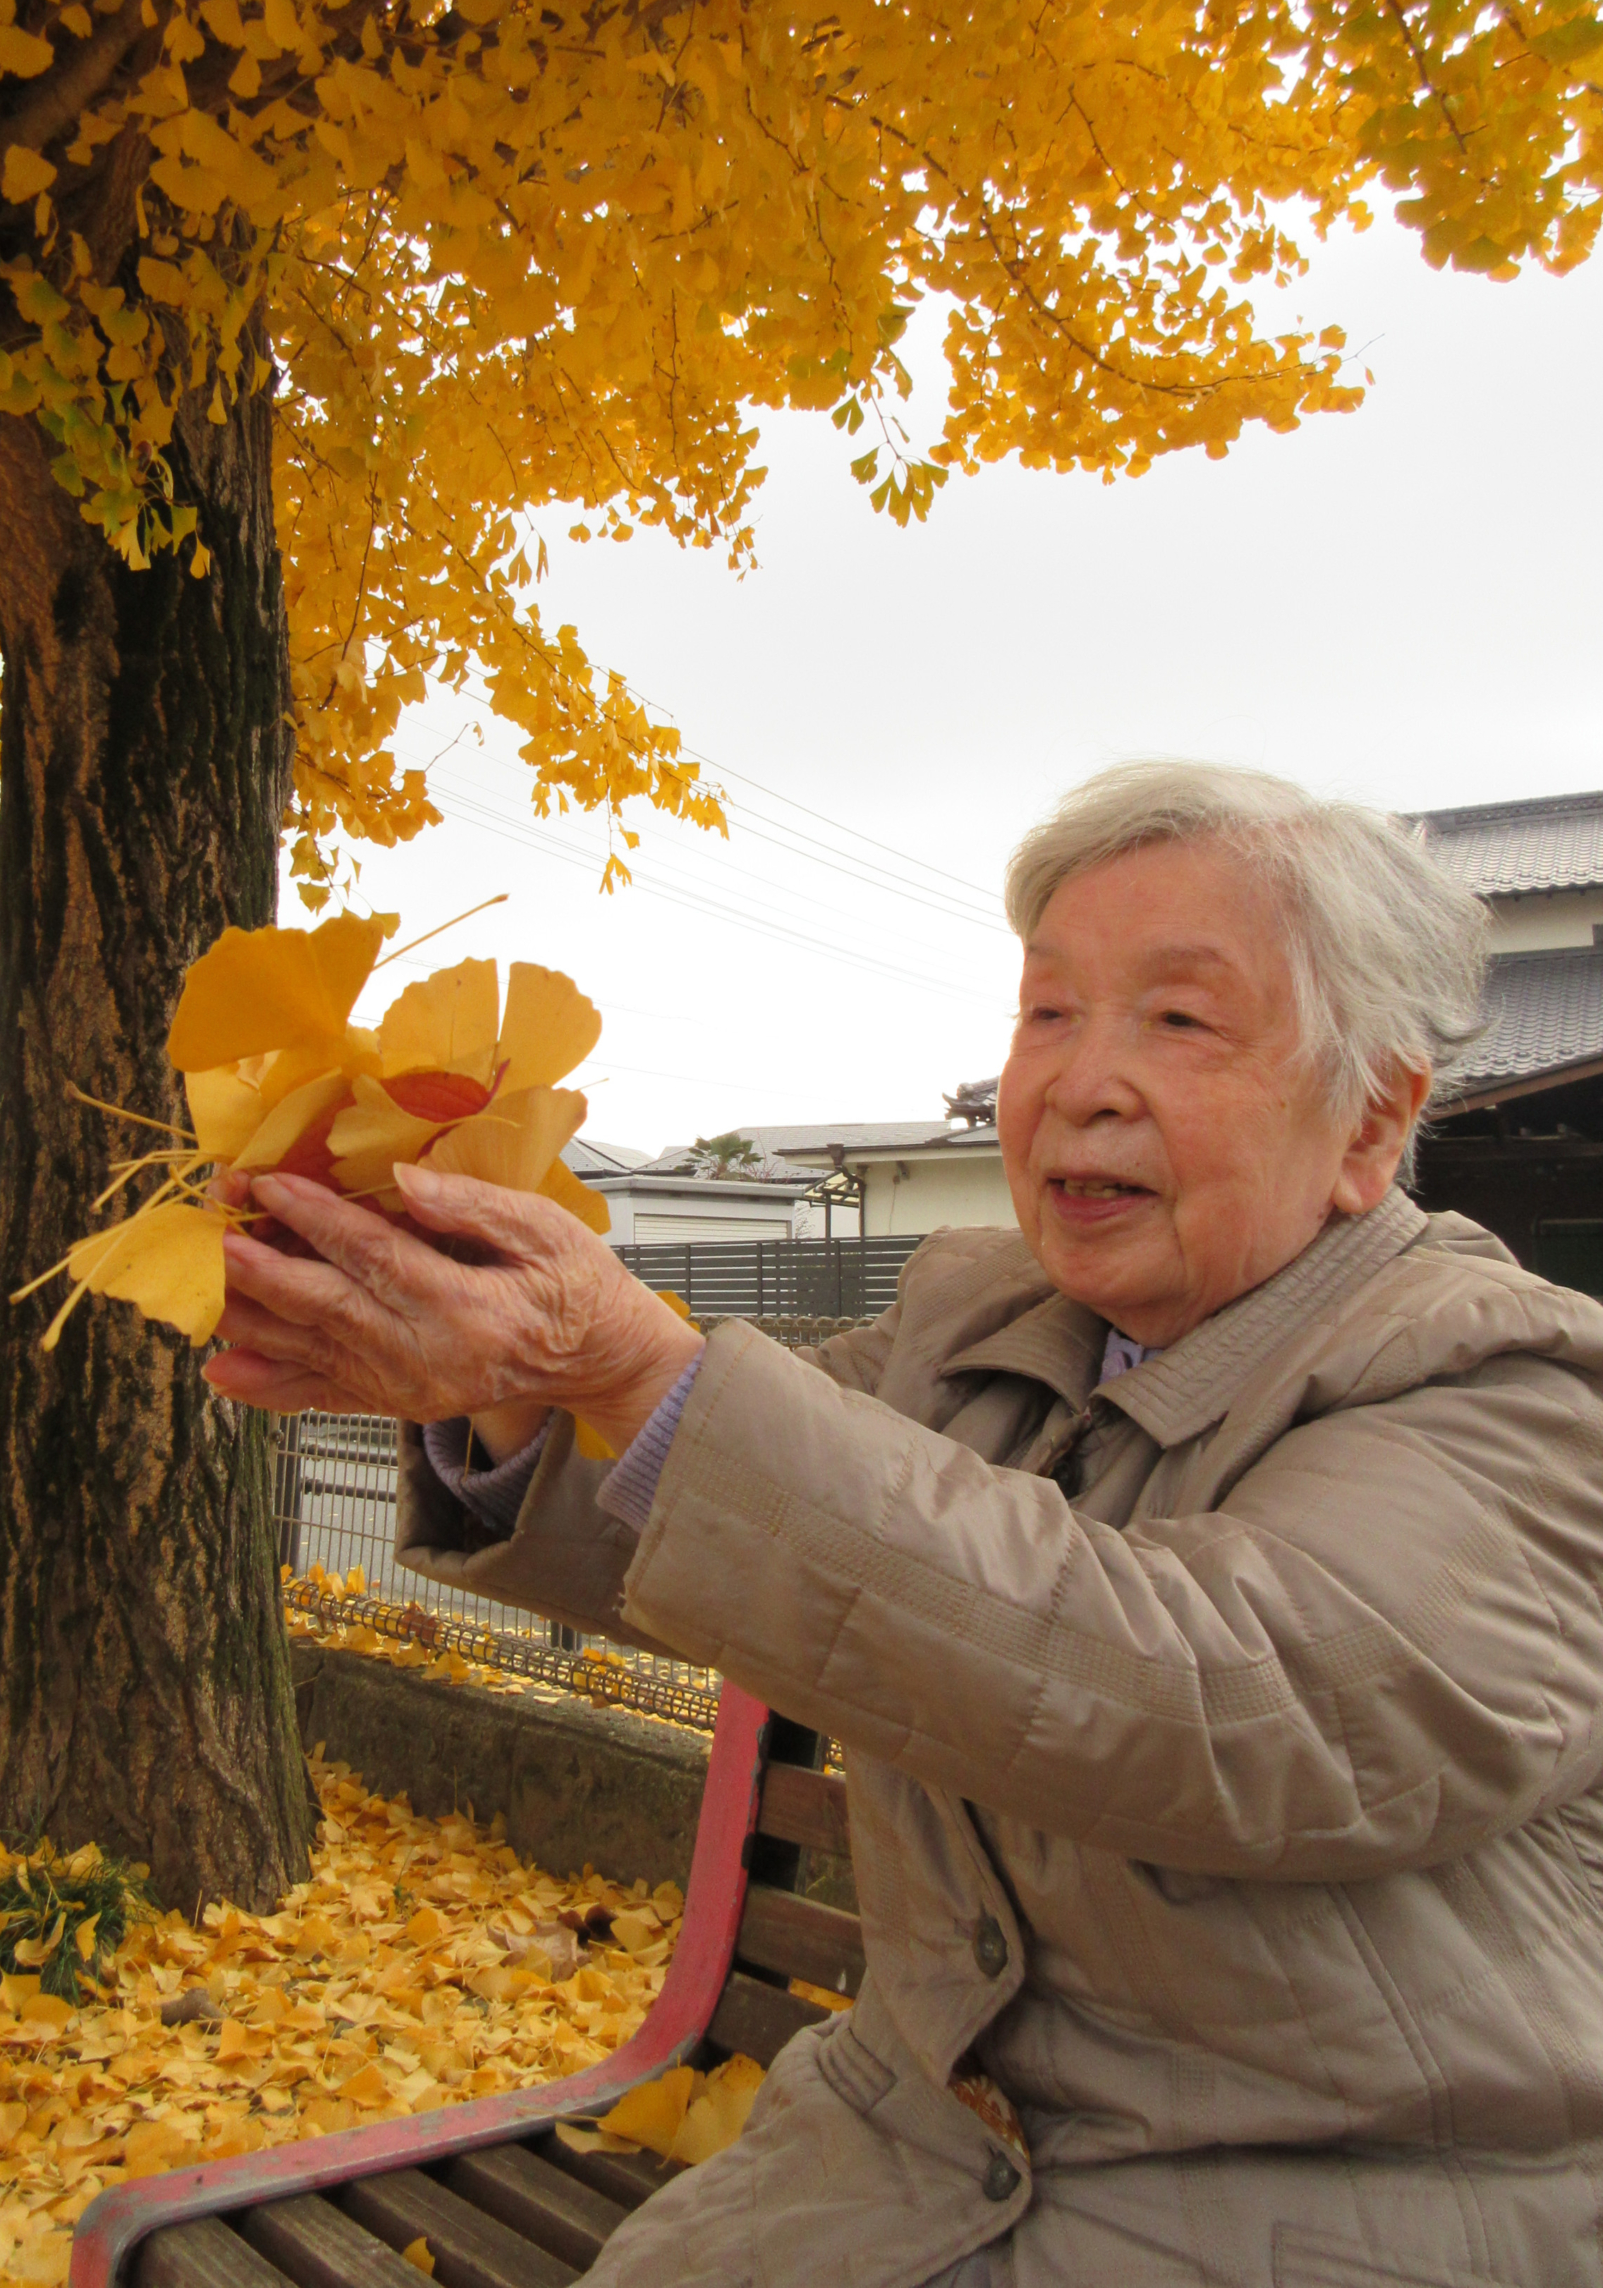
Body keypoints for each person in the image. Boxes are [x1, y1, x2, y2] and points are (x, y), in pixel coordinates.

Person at [206, 762, 1603, 2288]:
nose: (1079, 1080)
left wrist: (628, 1362)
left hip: (1339, 2203)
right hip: (906, 2148)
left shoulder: (1511, 1386)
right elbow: (718, 1522)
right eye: (1047, 1011)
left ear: (1372, 1121)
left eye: (1179, 1019)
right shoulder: (976, 1316)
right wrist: (500, 1394)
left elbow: (1210, 1696)